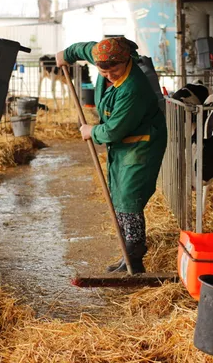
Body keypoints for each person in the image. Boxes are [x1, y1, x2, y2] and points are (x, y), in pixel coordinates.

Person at [56, 37, 167, 273]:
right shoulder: (102, 54)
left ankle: (135, 259)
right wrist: (65, 54)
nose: (108, 75)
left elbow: (114, 129)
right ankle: (127, 254)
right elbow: (81, 48)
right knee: (117, 190)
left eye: (114, 69)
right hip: (122, 142)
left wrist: (92, 131)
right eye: (102, 70)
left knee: (129, 195)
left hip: (142, 142)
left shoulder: (133, 88)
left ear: (126, 61)